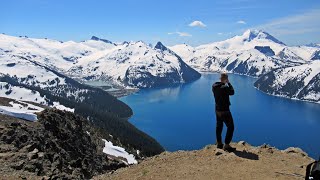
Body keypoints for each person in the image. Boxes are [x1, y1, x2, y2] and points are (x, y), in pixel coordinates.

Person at [212, 73, 236, 152]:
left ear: (220, 78)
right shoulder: (225, 87)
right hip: (225, 110)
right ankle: (226, 145)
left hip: (217, 110)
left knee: (219, 126)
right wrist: (228, 83)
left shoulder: (214, 86)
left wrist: (224, 82)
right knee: (231, 127)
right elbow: (232, 92)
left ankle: (219, 143)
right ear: (226, 79)